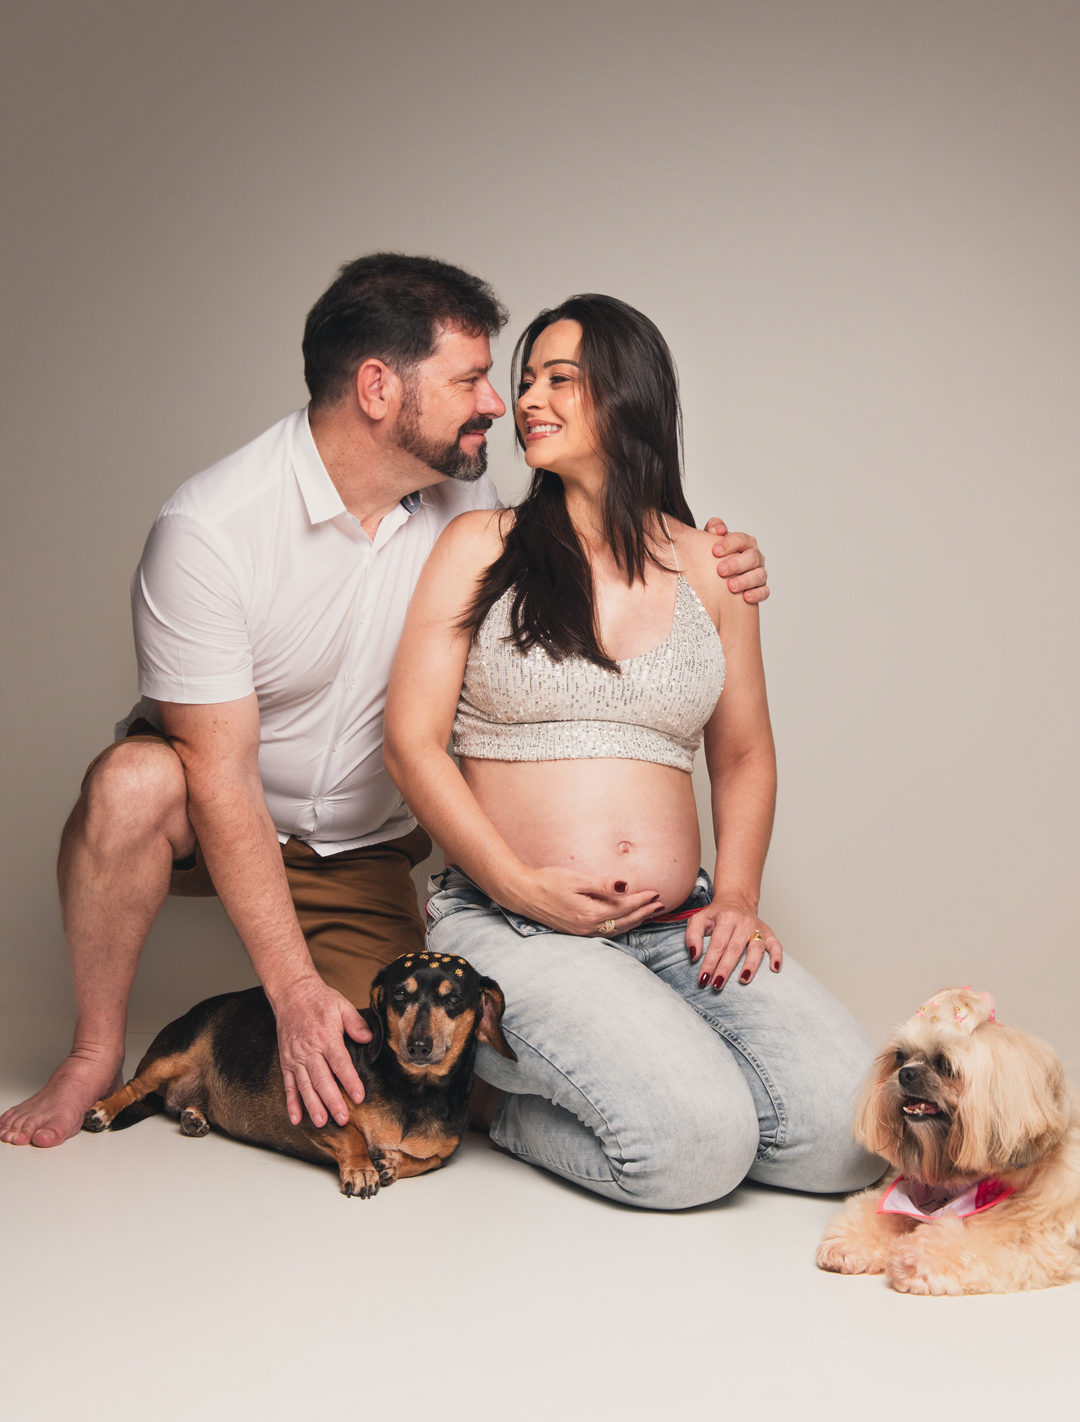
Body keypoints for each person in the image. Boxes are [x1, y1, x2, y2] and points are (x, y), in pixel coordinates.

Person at [1, 255, 769, 1151]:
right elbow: (219, 774)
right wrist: (293, 990)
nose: (499, 403)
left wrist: (710, 556)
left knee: (422, 1082)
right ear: (377, 388)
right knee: (132, 782)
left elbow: (594, 554)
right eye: (471, 380)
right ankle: (95, 1048)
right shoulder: (210, 529)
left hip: (360, 848)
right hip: (213, 811)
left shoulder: (469, 499)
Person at [386, 294, 885, 1210]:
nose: (528, 399)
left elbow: (743, 755)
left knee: (849, 1136)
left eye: (559, 379)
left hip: (675, 922)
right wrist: (517, 884)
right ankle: (497, 1100)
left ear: (629, 395)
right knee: (693, 1150)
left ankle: (660, 1084)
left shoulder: (714, 569)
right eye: (526, 380)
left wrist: (736, 898)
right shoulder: (480, 546)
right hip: (513, 922)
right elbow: (411, 743)